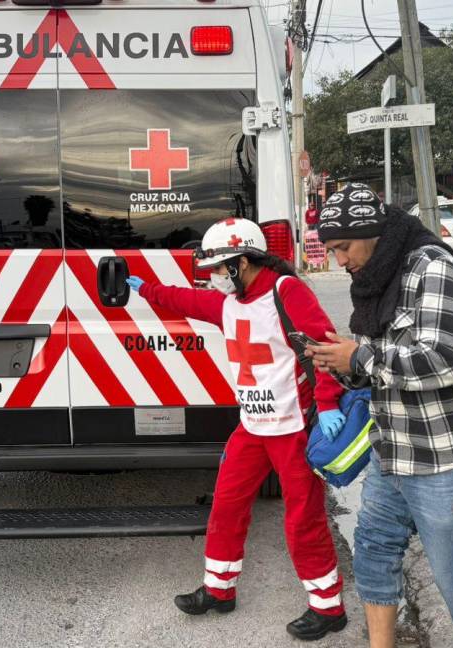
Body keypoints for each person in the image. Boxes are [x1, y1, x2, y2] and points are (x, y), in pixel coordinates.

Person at [305, 184, 453, 648]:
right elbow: (380, 369)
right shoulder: (375, 280)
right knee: (371, 552)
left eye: (343, 248)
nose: (340, 261)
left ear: (371, 233)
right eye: (331, 251)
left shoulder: (433, 267)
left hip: (447, 462)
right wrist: (342, 365)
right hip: (392, 453)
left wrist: (361, 357)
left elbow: (443, 359)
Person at [125, 217, 350, 642]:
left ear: (242, 262)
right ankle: (219, 590)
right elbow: (187, 302)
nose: (212, 278)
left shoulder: (286, 292)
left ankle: (328, 607)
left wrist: (326, 404)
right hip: (252, 429)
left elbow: (325, 347)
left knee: (303, 519)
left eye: (218, 269)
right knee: (226, 505)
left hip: (292, 429)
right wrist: (146, 290)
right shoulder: (230, 302)